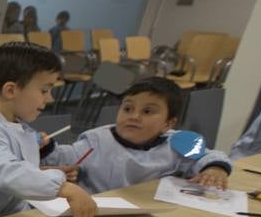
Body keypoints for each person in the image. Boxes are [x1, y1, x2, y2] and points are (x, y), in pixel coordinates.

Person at [0, 42, 98, 217]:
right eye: (44, 90)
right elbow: (8, 173)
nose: (50, 98)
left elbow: (18, 168)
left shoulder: (18, 126)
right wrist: (62, 186)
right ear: (11, 90)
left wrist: (48, 172)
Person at [43, 77, 231, 194]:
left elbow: (208, 155)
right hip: (94, 208)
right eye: (127, 108)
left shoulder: (178, 141)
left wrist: (214, 168)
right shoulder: (97, 139)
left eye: (148, 111)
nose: (134, 116)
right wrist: (47, 146)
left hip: (146, 212)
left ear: (168, 123)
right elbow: (65, 157)